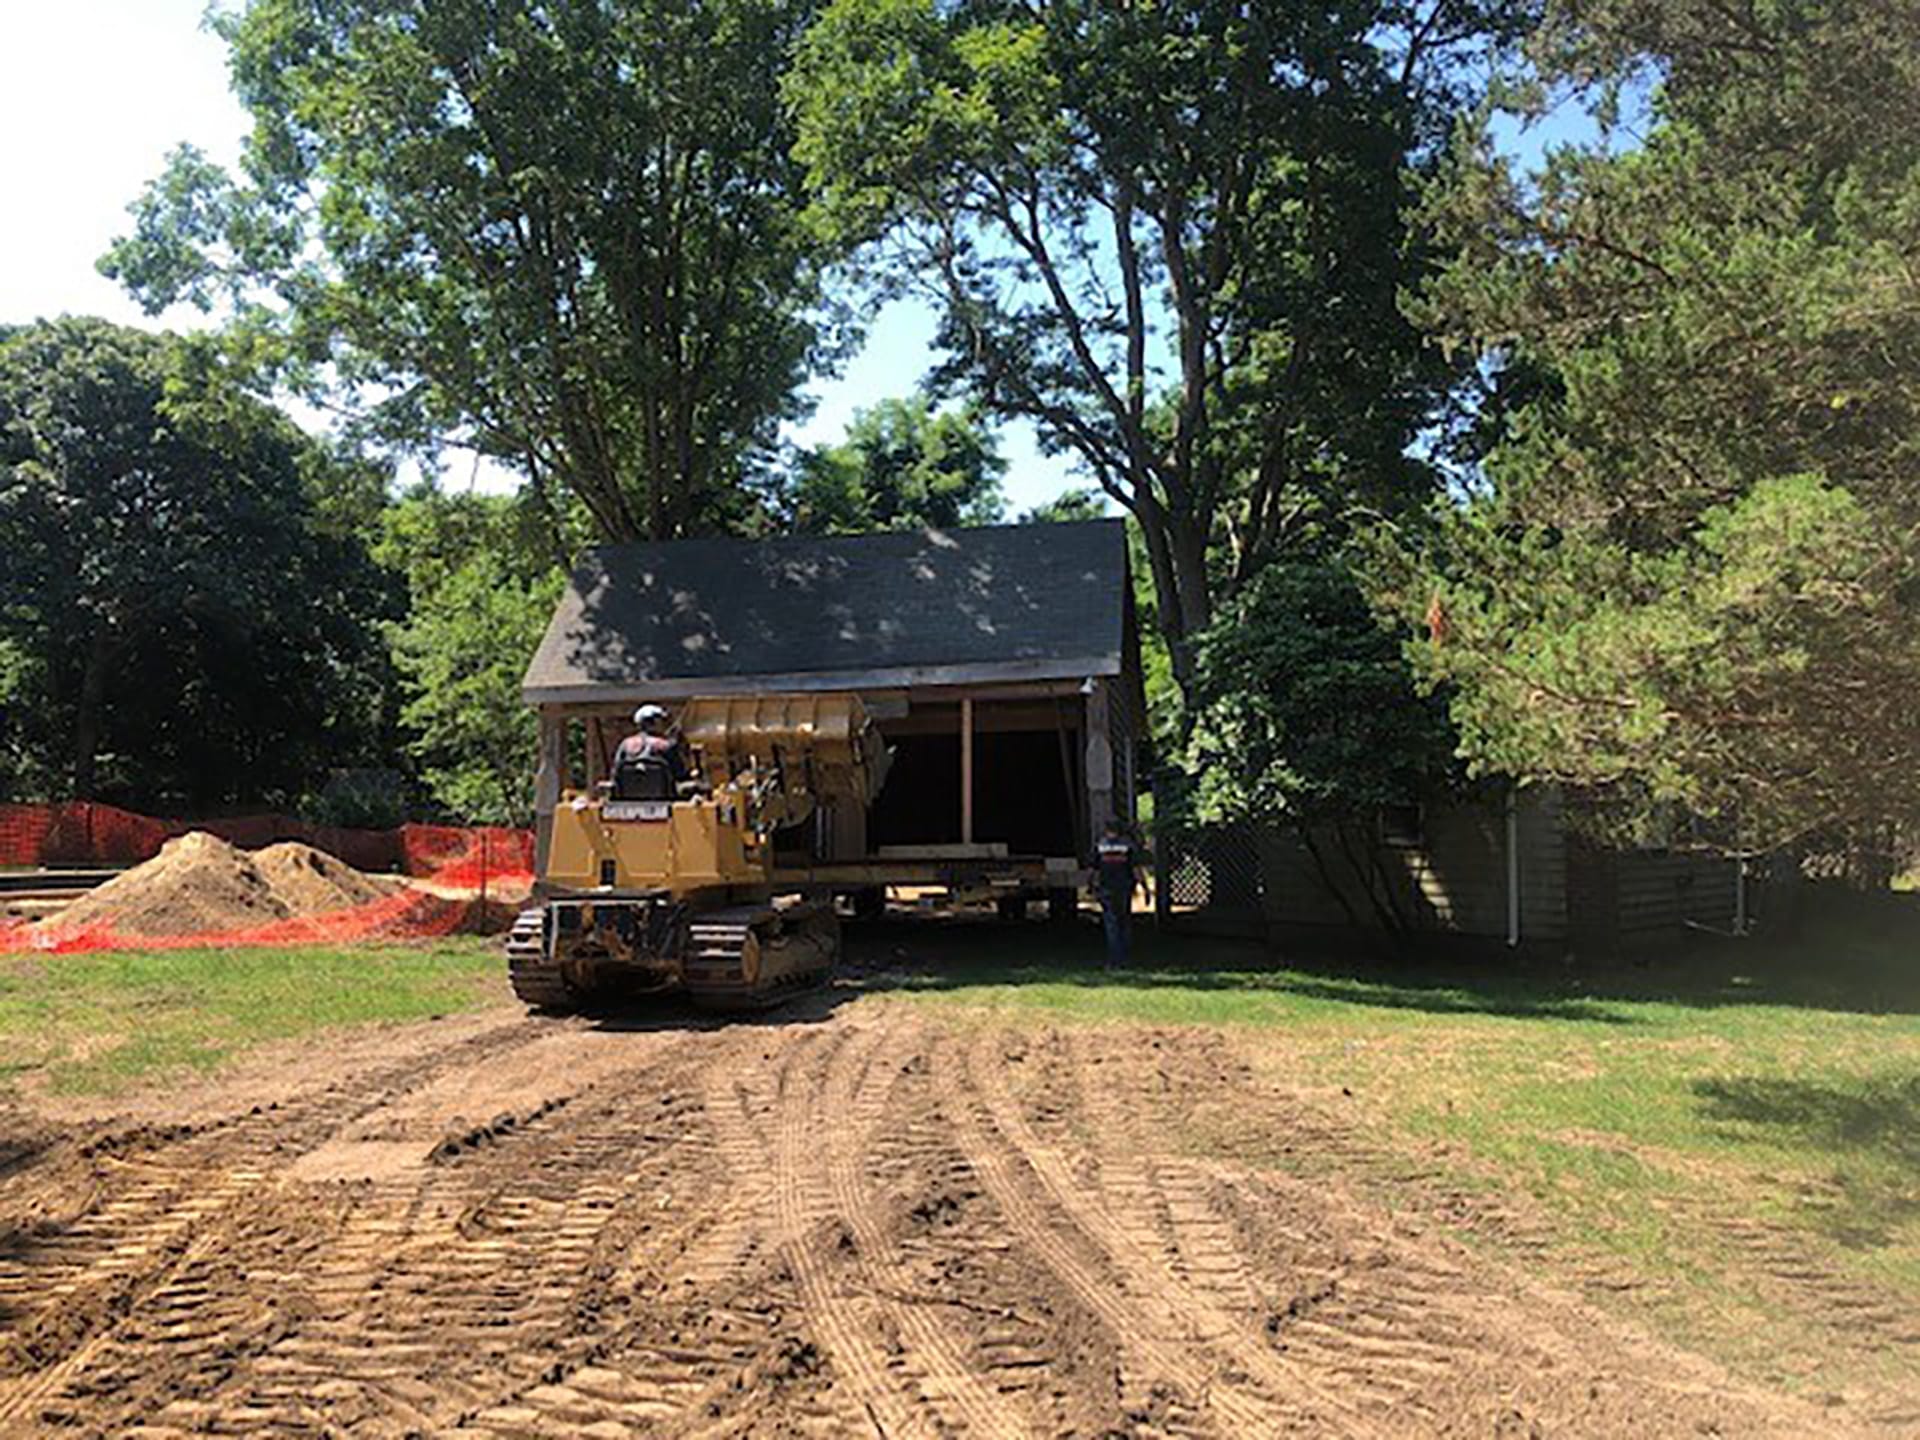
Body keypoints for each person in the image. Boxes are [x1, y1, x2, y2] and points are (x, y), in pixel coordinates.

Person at [611, 703, 689, 798]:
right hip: (664, 801)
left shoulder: (625, 744)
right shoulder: (665, 745)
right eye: (663, 721)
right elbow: (680, 774)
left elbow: (615, 774)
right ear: (655, 722)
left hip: (628, 801)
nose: (665, 725)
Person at [1094, 818, 1141, 967]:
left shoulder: (1100, 846)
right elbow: (1136, 869)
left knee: (1111, 924)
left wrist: (1091, 885)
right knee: (1125, 922)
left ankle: (1114, 959)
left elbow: (1094, 869)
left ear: (1106, 829)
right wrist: (1144, 887)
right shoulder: (1127, 846)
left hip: (1106, 888)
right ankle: (1125, 958)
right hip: (1124, 887)